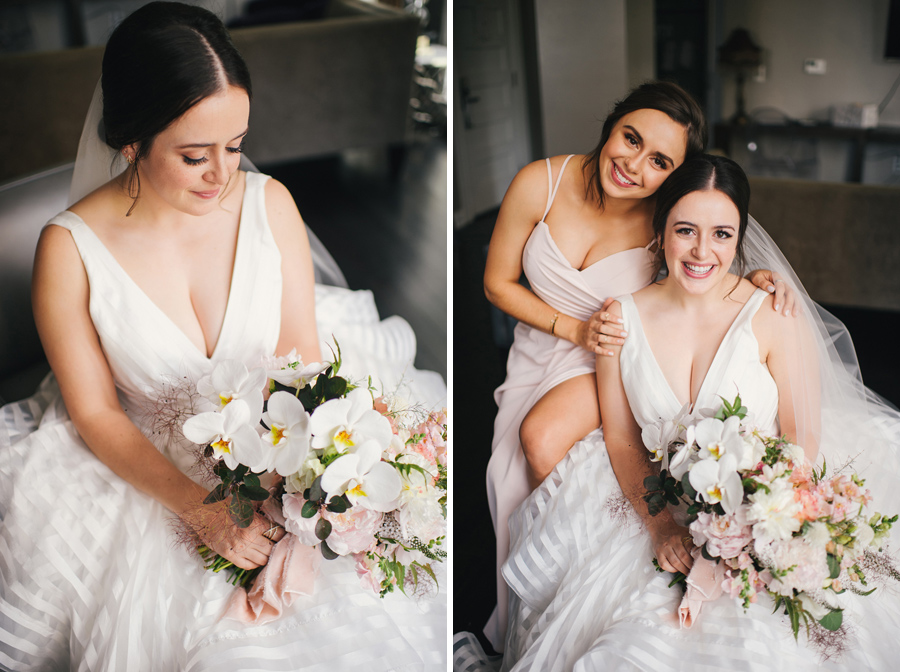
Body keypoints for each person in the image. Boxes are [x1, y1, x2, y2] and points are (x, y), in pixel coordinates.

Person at [0, 3, 445, 670]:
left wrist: (308, 481)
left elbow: (303, 357)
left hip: (278, 439)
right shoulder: (68, 250)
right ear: (131, 140)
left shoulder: (272, 206)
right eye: (193, 154)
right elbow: (93, 410)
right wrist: (202, 508)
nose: (222, 173)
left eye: (235, 146)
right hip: (153, 467)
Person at [459, 154, 900, 671]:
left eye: (721, 234)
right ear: (661, 231)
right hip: (659, 501)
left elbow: (800, 432)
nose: (702, 251)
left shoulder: (772, 313)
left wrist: (765, 522)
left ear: (739, 238)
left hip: (761, 506)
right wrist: (661, 527)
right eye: (686, 230)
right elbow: (621, 438)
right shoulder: (619, 319)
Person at [482, 81, 795, 648]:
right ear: (612, 124)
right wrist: (572, 327)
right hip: (544, 343)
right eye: (630, 138)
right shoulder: (539, 182)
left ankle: (559, 571)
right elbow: (496, 283)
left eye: (659, 162)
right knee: (504, 472)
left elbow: (701, 263)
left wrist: (753, 285)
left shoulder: (662, 222)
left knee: (540, 439)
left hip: (606, 353)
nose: (633, 164)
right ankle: (532, 587)